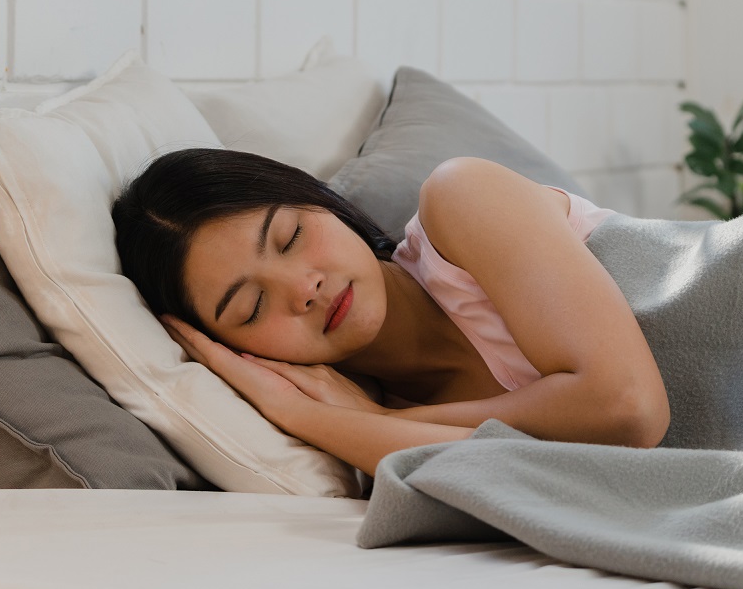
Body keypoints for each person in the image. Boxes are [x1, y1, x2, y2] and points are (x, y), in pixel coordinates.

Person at [113, 149, 670, 478]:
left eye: (290, 237)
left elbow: (629, 409)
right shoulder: (378, 421)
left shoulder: (462, 201)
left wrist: (351, 423)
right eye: (252, 306)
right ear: (240, 353)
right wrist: (348, 422)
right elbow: (518, 484)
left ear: (320, 200)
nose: (304, 287)